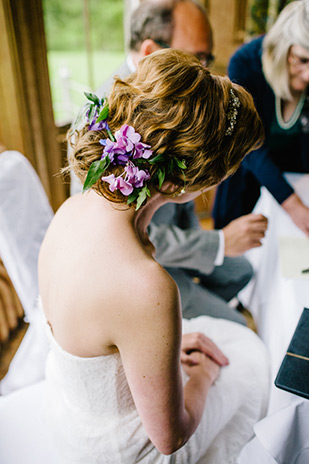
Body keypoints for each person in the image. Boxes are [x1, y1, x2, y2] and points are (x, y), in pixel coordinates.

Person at [39, 49, 269, 464]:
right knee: (252, 363)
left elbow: (100, 335)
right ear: (191, 183)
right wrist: (202, 377)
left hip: (71, 411)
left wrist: (157, 355)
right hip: (119, 450)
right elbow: (170, 438)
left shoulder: (70, 211)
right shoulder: (147, 286)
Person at [71, 0, 268, 326]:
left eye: (208, 59)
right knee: (237, 326)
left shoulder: (179, 103)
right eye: (197, 59)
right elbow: (113, 235)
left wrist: (203, 245)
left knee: (243, 271)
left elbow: (183, 197)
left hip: (177, 243)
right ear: (150, 51)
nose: (206, 72)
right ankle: (173, 324)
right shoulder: (100, 122)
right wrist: (217, 242)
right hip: (138, 260)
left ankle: (184, 325)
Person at [213, 0, 309, 232]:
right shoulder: (246, 64)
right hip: (246, 186)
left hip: (299, 184)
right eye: (303, 60)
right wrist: (292, 205)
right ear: (281, 48)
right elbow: (246, 145)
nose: (308, 75)